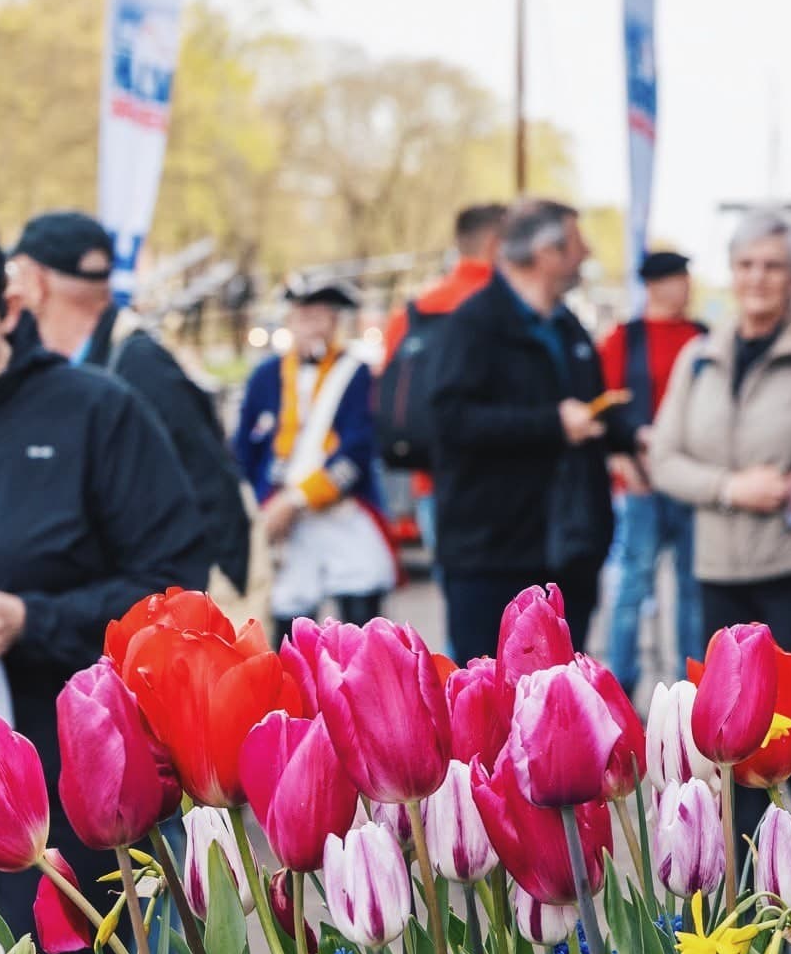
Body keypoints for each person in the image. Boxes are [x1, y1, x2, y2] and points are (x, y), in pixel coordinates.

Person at [0, 189, 205, 952]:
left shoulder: (97, 412)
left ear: (7, 308)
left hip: (56, 781)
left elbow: (175, 588)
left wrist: (30, 618)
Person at [651, 210, 791, 829]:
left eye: (773, 265)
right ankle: (745, 876)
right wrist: (729, 488)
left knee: (789, 733)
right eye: (746, 264)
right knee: (728, 737)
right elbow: (664, 459)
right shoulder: (698, 356)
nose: (758, 278)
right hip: (717, 573)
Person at [6, 210, 251, 597]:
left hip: (165, 601)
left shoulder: (137, 364)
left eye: (14, 274)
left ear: (36, 282)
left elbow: (208, 483)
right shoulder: (77, 361)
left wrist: (211, 606)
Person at [429, 198, 625, 659]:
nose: (589, 253)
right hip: (491, 559)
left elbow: (590, 412)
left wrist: (631, 437)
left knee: (562, 708)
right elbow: (449, 420)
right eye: (578, 243)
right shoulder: (473, 324)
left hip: (567, 556)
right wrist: (551, 424)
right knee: (492, 708)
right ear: (546, 254)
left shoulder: (568, 327)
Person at [232, 283, 397, 648]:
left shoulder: (355, 374)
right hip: (282, 521)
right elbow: (245, 449)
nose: (314, 327)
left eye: (322, 317)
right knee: (288, 620)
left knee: (362, 606)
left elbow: (356, 450)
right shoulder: (265, 376)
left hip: (340, 509)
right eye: (306, 317)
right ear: (290, 320)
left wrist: (298, 500)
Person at [596, 250, 707, 695]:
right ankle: (620, 688)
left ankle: (692, 692)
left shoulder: (703, 336)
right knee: (633, 586)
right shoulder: (624, 338)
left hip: (691, 485)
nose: (686, 286)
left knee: (692, 591)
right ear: (657, 284)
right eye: (679, 278)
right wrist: (623, 464)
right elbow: (605, 406)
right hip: (641, 484)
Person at [380, 203, 508, 558]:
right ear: (496, 243)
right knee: (519, 602)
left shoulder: (415, 310)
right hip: (505, 479)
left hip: (433, 477)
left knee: (459, 595)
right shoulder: (510, 306)